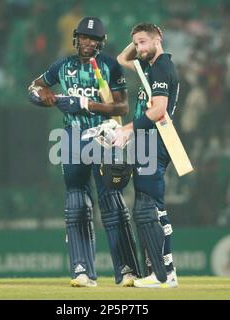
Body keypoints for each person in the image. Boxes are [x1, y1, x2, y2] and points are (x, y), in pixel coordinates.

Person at [27, 17, 140, 287]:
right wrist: (43, 97)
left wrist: (86, 104)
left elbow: (122, 107)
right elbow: (36, 87)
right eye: (84, 38)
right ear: (76, 39)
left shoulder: (109, 65)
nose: (88, 43)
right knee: (76, 203)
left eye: (94, 39)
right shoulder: (62, 65)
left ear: (101, 43)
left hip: (103, 137)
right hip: (71, 139)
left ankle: (127, 270)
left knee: (111, 203)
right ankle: (82, 271)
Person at [114, 23, 180, 288]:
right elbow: (121, 58)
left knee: (149, 208)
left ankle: (163, 274)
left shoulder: (162, 66)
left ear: (158, 39)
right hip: (147, 143)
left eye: (144, 42)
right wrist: (137, 41)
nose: (139, 48)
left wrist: (127, 129)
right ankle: (165, 272)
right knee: (149, 207)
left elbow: (159, 110)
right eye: (137, 43)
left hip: (155, 141)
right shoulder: (149, 67)